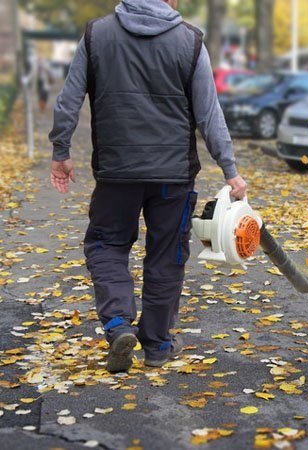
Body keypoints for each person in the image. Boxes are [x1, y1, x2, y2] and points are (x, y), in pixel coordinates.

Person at [48, 0, 247, 373]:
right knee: (166, 255)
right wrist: (230, 170)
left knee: (106, 245)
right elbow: (208, 113)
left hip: (116, 173)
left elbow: (69, 99)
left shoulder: (97, 34)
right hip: (172, 176)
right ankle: (156, 345)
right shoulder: (189, 41)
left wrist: (61, 149)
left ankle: (118, 324)